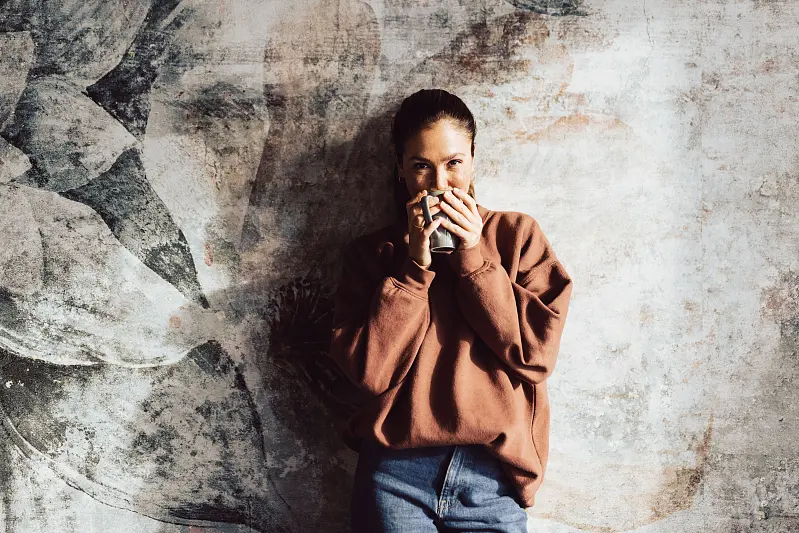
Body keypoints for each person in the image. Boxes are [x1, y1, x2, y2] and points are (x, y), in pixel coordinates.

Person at [328, 88, 573, 533]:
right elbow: (370, 373)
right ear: (400, 168)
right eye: (421, 165)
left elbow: (534, 356)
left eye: (454, 163)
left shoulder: (517, 236)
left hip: (491, 477)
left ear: (474, 159)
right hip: (394, 475)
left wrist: (474, 257)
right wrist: (414, 269)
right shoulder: (372, 254)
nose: (439, 184)